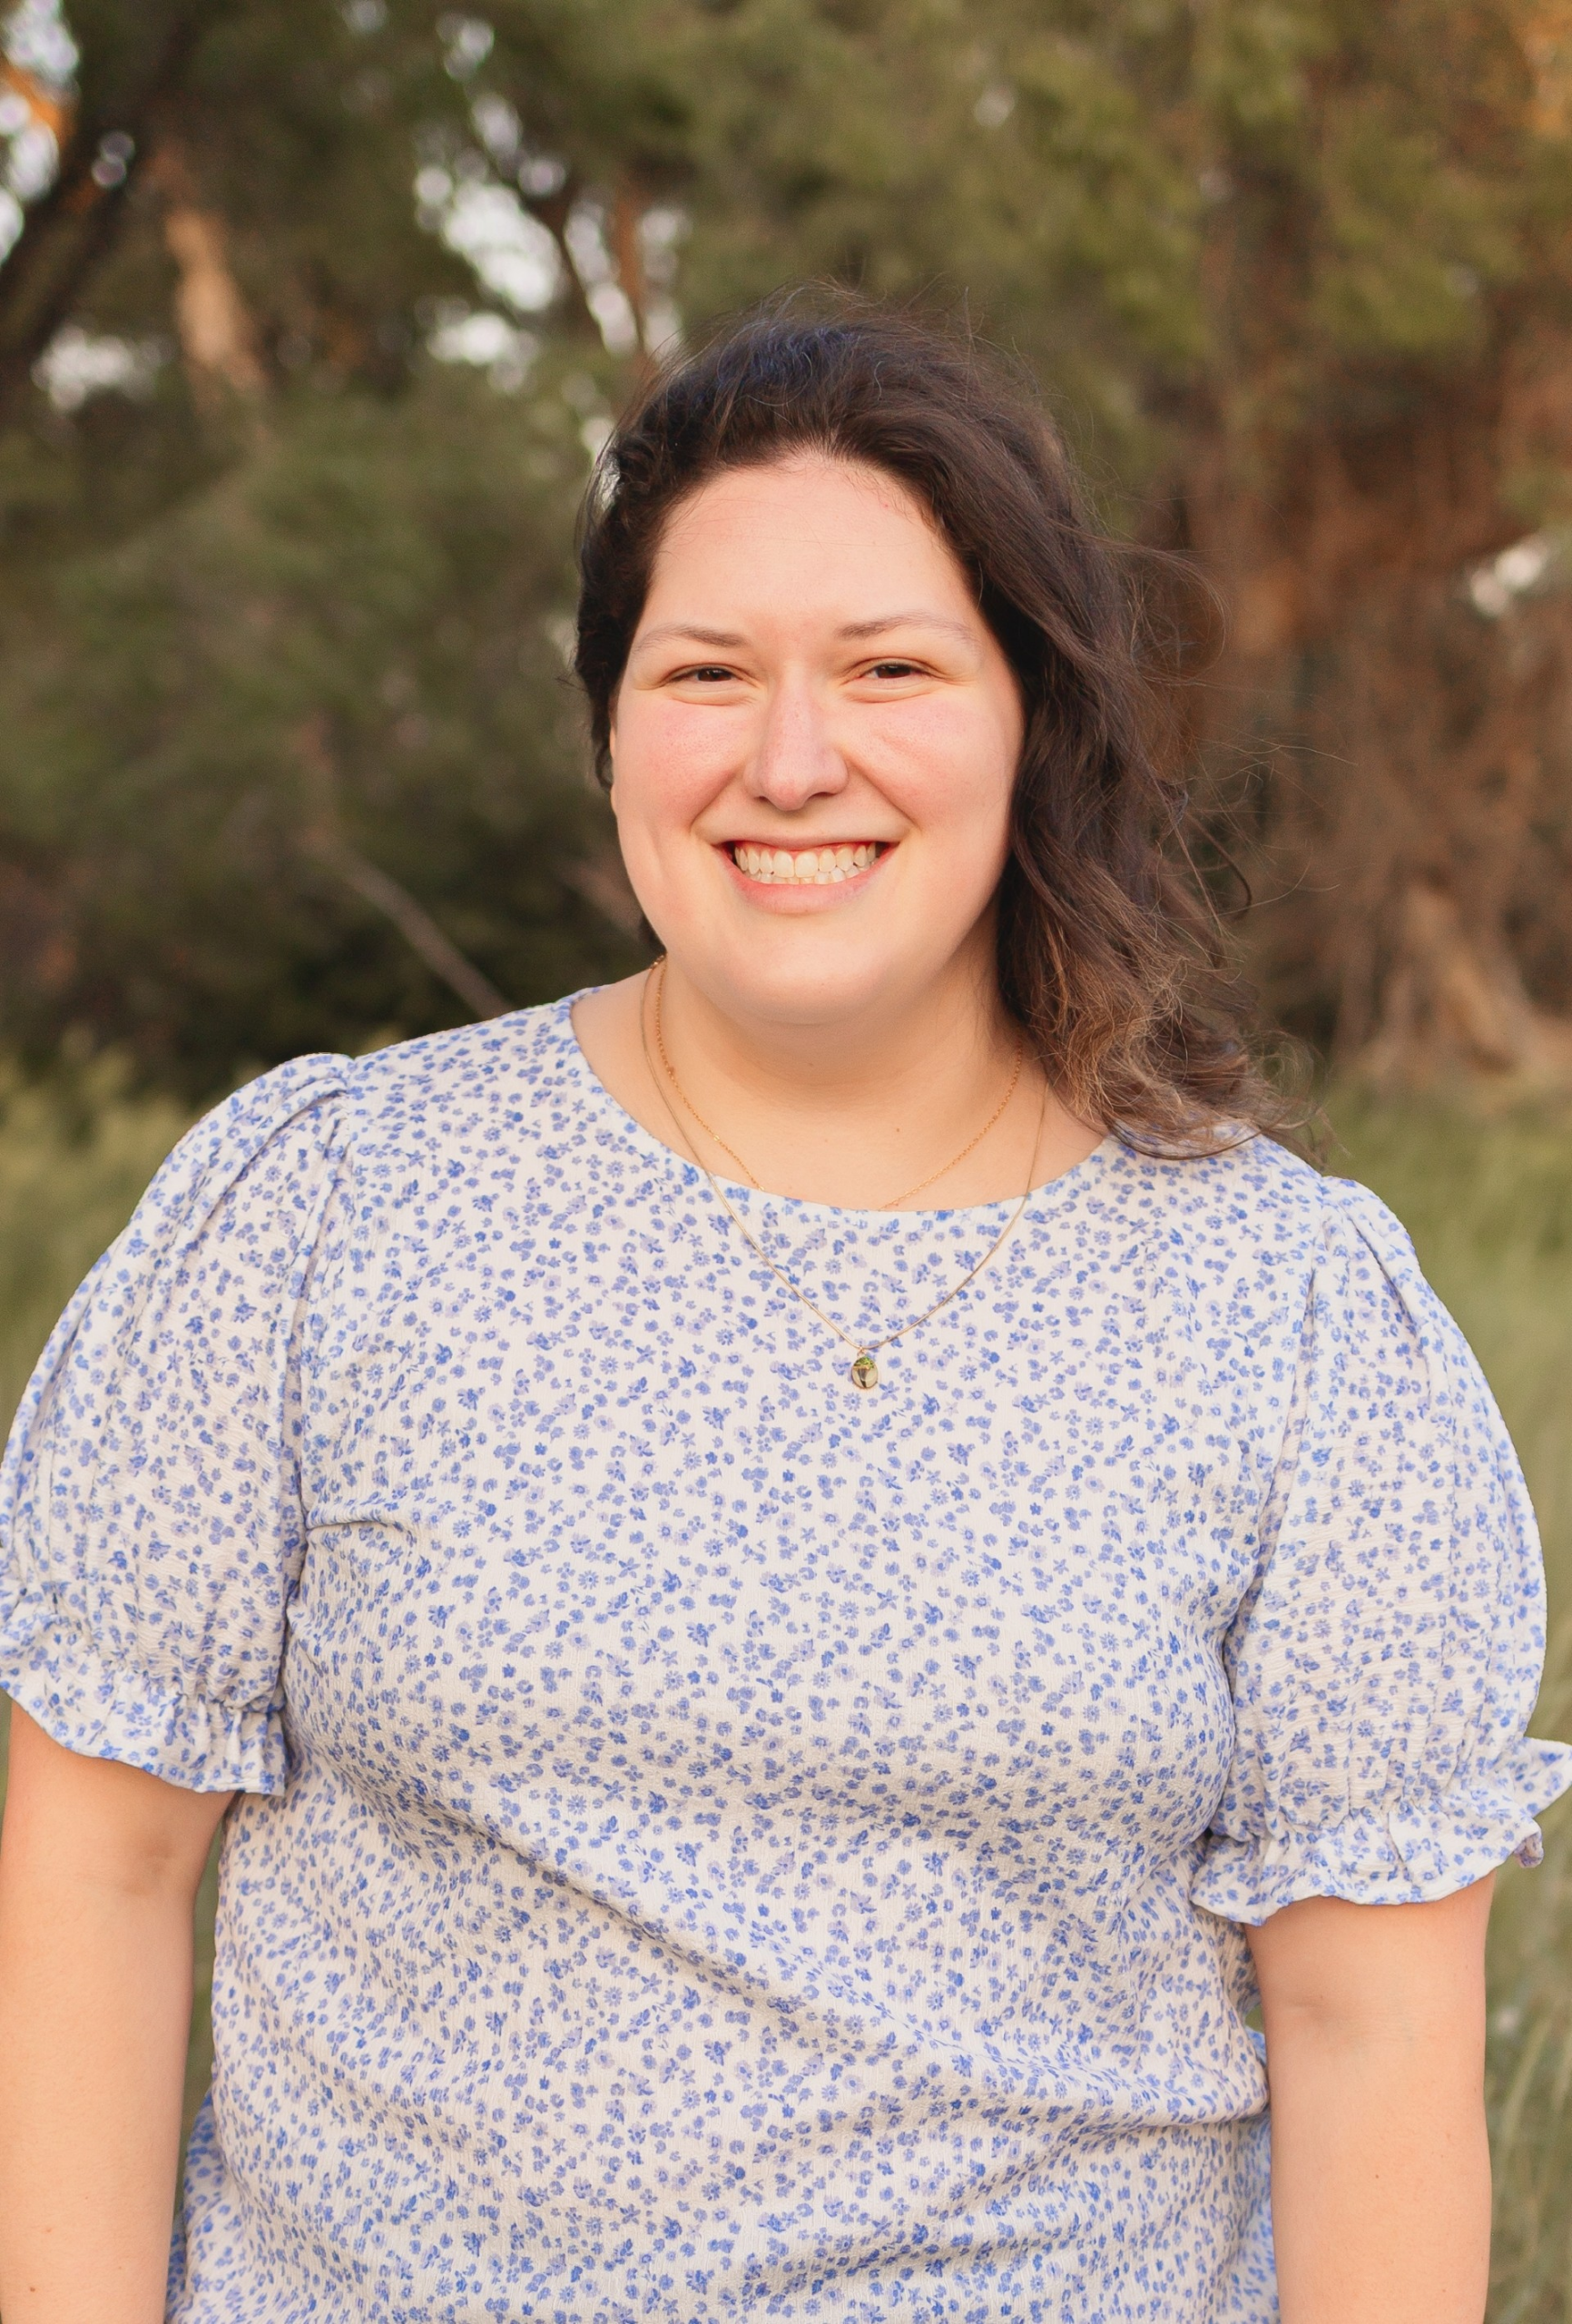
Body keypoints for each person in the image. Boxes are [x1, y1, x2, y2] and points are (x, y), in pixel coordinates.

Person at [0, 300, 1566, 2324]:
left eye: (891, 669)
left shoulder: (1290, 1314)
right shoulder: (319, 1208)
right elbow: (97, 1871)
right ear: (610, 727)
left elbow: (1370, 2043)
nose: (791, 759)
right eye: (706, 673)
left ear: (1033, 717)